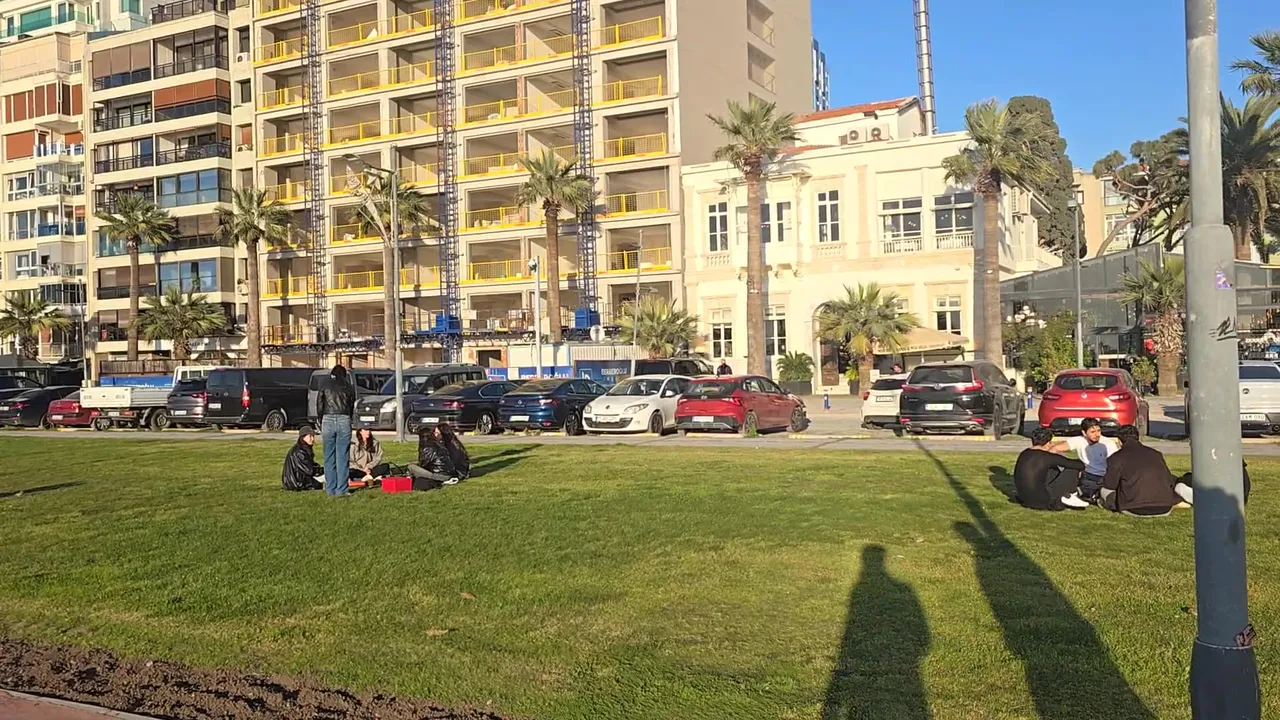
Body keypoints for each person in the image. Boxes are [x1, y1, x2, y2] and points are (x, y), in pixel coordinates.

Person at [1100, 424, 1192, 516]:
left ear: (1119, 441)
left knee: (1104, 491)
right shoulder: (1156, 454)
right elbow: (1168, 480)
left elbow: (1110, 485)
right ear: (1138, 437)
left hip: (1133, 507)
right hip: (1165, 507)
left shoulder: (1116, 458)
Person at [1012, 427, 1090, 510]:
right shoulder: (1047, 457)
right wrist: (1059, 453)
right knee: (1072, 468)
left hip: (1025, 499)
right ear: (1048, 442)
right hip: (1044, 502)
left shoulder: (1024, 453)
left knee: (1051, 469)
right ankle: (1069, 495)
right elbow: (1079, 465)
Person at [1048, 418, 1119, 500]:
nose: (1097, 434)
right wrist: (1059, 468)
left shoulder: (1108, 443)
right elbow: (1054, 449)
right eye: (1092, 432)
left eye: (1098, 431)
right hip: (1088, 477)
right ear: (1084, 433)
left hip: (1105, 477)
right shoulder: (1079, 440)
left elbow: (1114, 465)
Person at [316, 364, 356, 498]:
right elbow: (352, 404)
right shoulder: (348, 386)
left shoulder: (324, 384)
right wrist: (349, 417)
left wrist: (320, 418)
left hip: (327, 418)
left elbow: (319, 403)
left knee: (328, 456)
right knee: (342, 456)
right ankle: (342, 489)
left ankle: (330, 489)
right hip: (344, 418)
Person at [407, 425, 457, 490]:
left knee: (411, 467)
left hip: (439, 476)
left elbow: (424, 464)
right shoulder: (439, 444)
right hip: (449, 474)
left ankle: (407, 482)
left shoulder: (426, 447)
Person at [281, 426, 323, 492]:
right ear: (303, 437)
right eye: (310, 436)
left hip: (296, 480)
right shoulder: (300, 452)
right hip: (297, 482)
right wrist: (322, 470)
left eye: (313, 436)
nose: (312, 439)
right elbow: (309, 470)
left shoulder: (302, 449)